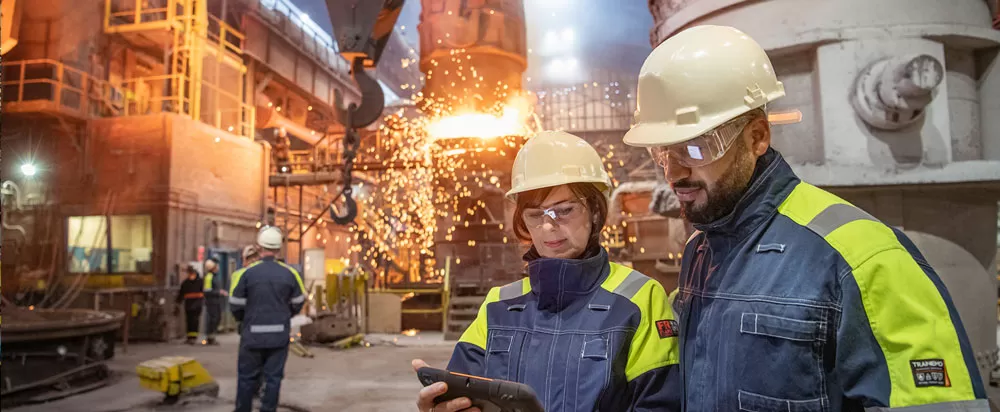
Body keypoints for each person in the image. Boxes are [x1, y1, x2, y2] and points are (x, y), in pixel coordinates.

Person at [623, 25, 987, 411]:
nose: (673, 173)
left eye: (695, 149)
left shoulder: (864, 260)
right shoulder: (703, 249)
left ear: (757, 137)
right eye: (662, 153)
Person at [414, 131, 680, 412]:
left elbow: (659, 404)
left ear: (595, 211)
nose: (549, 227)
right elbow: (466, 398)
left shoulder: (639, 298)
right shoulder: (498, 305)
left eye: (564, 210)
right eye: (535, 215)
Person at [229, 226, 306, 412]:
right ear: (279, 248)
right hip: (278, 336)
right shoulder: (290, 273)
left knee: (247, 378)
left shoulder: (247, 273)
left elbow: (235, 304)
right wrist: (285, 315)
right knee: (273, 379)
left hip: (252, 336)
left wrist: (245, 319)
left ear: (259, 247)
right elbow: (299, 301)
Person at [175, 266, 203, 345]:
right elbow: (181, 294)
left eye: (191, 274)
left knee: (195, 321)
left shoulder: (200, 282)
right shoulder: (185, 283)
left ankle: (193, 337)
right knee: (189, 321)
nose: (190, 275)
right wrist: (178, 302)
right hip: (189, 305)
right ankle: (189, 337)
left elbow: (203, 292)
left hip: (197, 305)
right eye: (189, 274)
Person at [202, 257, 225, 345]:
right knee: (213, 318)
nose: (218, 267)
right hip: (211, 301)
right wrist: (219, 292)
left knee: (217, 318)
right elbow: (207, 291)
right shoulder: (209, 277)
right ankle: (210, 338)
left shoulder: (215, 276)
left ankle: (212, 337)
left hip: (216, 300)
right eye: (217, 266)